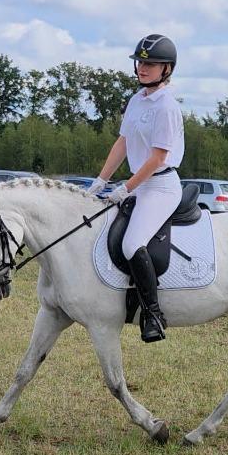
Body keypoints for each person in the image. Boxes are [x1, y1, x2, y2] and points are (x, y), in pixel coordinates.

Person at [87, 34, 184, 342]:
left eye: (150, 64)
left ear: (166, 69)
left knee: (131, 244)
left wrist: (126, 188)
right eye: (140, 63)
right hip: (140, 184)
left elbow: (157, 158)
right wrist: (101, 180)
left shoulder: (166, 106)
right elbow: (123, 142)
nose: (142, 68)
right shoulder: (137, 100)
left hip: (161, 186)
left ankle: (153, 314)